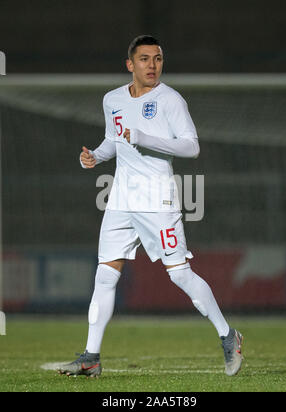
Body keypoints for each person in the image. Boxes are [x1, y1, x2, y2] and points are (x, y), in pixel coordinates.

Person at [59, 35, 243, 378]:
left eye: (157, 59)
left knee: (180, 275)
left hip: (158, 198)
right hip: (121, 199)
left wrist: (145, 138)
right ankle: (91, 357)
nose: (152, 65)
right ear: (130, 64)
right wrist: (95, 157)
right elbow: (114, 140)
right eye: (144, 59)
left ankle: (228, 335)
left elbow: (191, 147)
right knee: (104, 274)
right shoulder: (112, 99)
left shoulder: (170, 100)